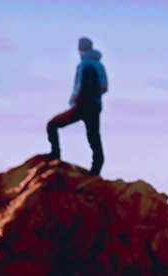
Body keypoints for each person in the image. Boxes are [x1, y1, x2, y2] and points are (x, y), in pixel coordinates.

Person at [47, 37, 108, 176]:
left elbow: (82, 86)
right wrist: (95, 97)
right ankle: (96, 170)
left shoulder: (85, 64)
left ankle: (55, 156)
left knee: (52, 125)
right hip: (95, 106)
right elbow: (104, 87)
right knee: (94, 137)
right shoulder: (99, 64)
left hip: (82, 106)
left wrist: (76, 102)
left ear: (79, 49)